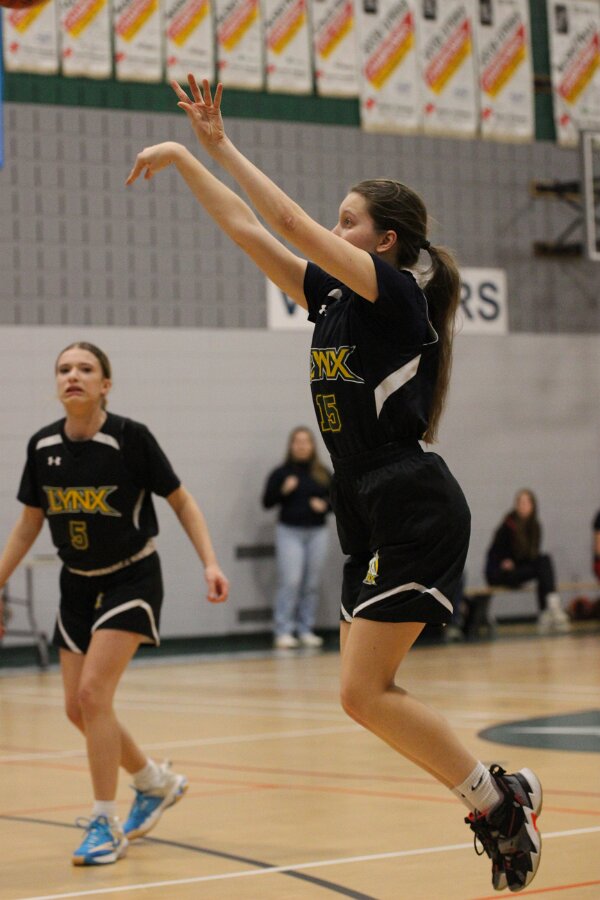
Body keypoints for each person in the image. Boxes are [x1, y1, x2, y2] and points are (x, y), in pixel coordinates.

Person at [126, 75, 542, 893]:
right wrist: (182, 157)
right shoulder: (334, 302)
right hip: (364, 500)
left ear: (384, 241)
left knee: (365, 691)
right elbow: (250, 229)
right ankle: (500, 798)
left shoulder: (397, 298)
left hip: (410, 499)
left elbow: (288, 222)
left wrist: (217, 142)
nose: (332, 227)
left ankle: (498, 804)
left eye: (347, 220)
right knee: (362, 695)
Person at [0, 342, 229, 866]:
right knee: (76, 707)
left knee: (92, 694)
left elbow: (181, 501)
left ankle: (105, 822)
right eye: (64, 369)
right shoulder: (41, 446)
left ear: (105, 385)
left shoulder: (130, 438)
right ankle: (153, 781)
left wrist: (210, 563)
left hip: (132, 578)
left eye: (85, 369)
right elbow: (29, 525)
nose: (72, 375)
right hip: (76, 584)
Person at [262, 426, 331, 649]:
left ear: (312, 446)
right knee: (290, 581)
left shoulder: (322, 473)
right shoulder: (281, 473)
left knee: (311, 583)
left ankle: (305, 629)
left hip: (317, 532)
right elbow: (267, 502)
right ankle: (283, 630)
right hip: (289, 531)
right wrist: (283, 490)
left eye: (306, 442)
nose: (301, 446)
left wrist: (325, 505)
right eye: (297, 442)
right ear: (291, 446)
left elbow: (338, 500)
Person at [485, 488, 569, 634]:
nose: (522, 506)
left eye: (526, 502)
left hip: (518, 568)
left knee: (544, 561)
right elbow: (494, 553)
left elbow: (532, 555)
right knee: (543, 566)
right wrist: (503, 562)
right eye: (519, 502)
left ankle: (548, 610)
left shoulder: (535, 526)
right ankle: (550, 608)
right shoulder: (508, 525)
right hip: (500, 573)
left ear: (532, 506)